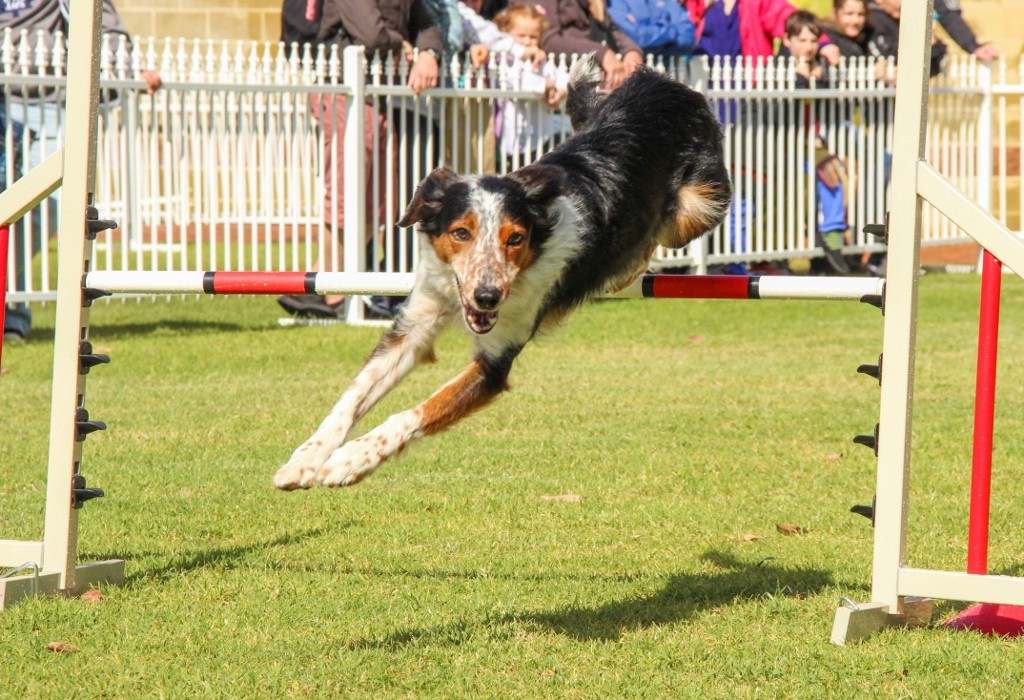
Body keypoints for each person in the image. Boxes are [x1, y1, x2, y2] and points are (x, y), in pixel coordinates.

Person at [2, 0, 161, 342]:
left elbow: (100, 20)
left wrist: (127, 69)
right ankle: (10, 308)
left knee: (45, 209)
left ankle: (11, 305)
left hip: (42, 99)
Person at [276, 0, 443, 320]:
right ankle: (325, 287)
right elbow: (371, 34)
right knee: (346, 189)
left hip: (375, 94)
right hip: (342, 90)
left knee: (380, 196)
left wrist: (428, 53)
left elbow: (427, 25)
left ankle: (327, 287)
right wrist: (404, 43)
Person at [778, 10, 851, 275]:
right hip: (785, 145)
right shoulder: (779, 67)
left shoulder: (820, 65)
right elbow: (783, 107)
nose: (809, 47)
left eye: (813, 41)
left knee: (833, 180)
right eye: (803, 40)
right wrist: (799, 78)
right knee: (790, 196)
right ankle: (780, 255)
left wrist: (819, 79)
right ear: (787, 40)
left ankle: (831, 244)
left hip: (815, 142)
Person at [492, 3, 569, 169]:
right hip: (514, 137)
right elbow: (515, 82)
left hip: (542, 134)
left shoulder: (542, 61)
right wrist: (545, 85)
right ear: (506, 34)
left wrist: (561, 91)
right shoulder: (503, 61)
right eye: (521, 36)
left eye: (533, 37)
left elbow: (562, 76)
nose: (527, 41)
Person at [533, 0, 644, 92]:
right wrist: (602, 53)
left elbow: (609, 28)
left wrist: (632, 51)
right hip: (559, 91)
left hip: (597, 91)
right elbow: (548, 40)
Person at [607, 0, 697, 58]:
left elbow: (688, 36)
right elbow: (640, 37)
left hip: (669, 74)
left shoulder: (666, 2)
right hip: (636, 76)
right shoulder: (615, 2)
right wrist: (671, 31)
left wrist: (651, 47)